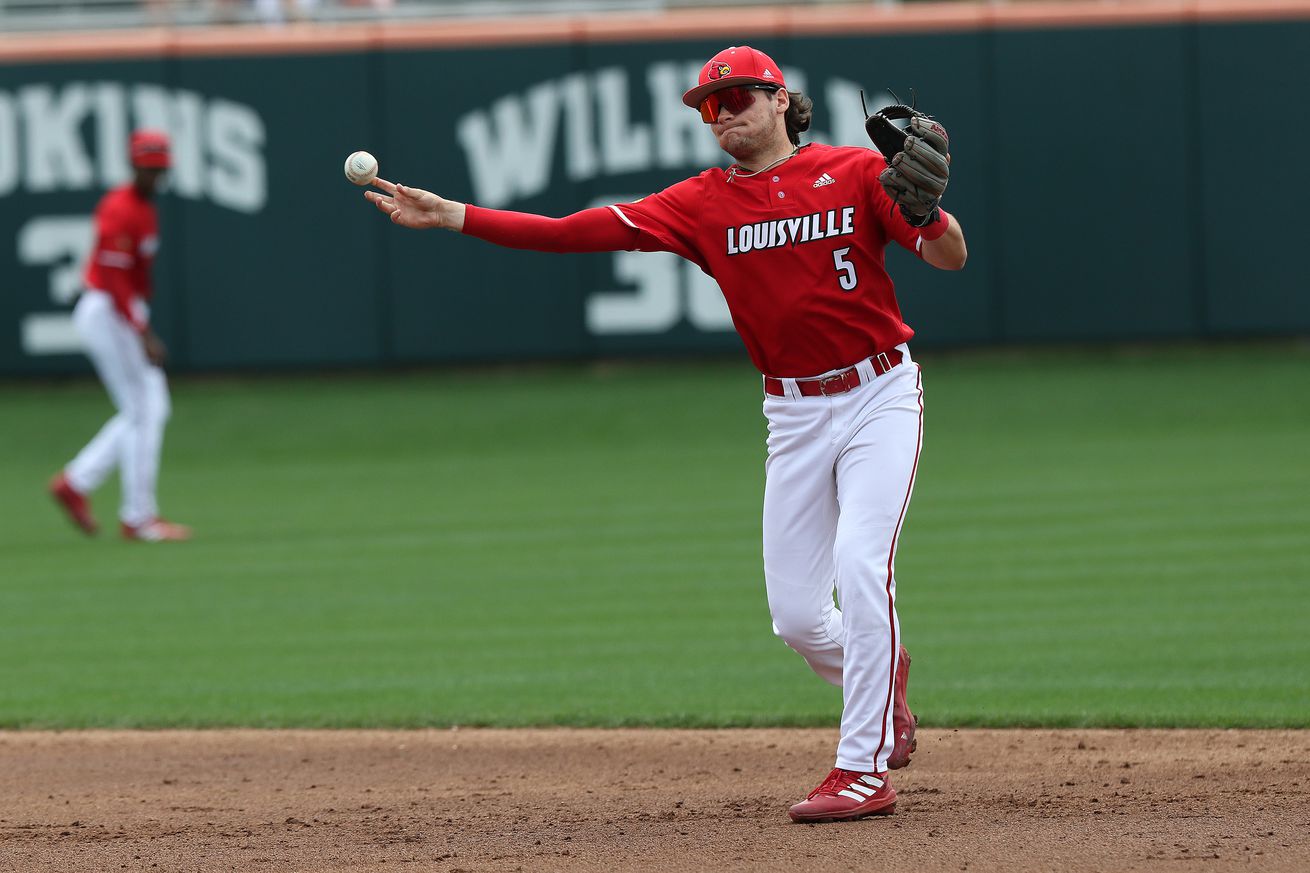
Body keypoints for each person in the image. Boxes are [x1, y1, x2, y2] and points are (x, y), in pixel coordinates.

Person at [363, 45, 966, 822]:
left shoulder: (853, 173)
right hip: (790, 412)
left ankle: (863, 767)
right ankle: (881, 677)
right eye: (710, 107)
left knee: (859, 565)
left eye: (739, 98)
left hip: (879, 392)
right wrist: (452, 215)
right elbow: (567, 232)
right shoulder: (701, 204)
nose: (724, 115)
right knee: (796, 615)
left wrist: (926, 212)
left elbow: (949, 256)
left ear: (781, 100)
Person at [49, 130, 192, 543]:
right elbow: (113, 280)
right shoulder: (120, 208)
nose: (155, 176)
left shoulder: (144, 208)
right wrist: (143, 331)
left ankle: (78, 483)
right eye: (149, 169)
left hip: (121, 312)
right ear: (133, 167)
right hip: (109, 311)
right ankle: (137, 517)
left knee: (146, 409)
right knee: (144, 410)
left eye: (160, 169)